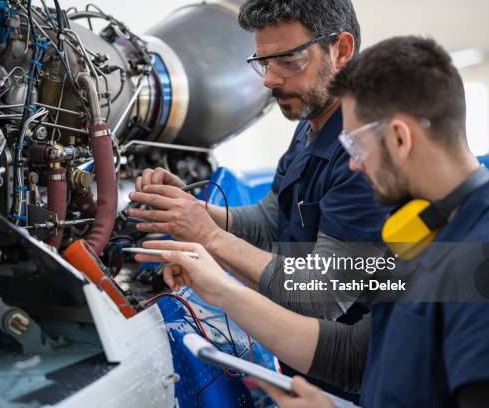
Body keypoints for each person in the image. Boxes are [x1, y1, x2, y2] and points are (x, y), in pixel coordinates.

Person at [135, 36, 489, 407]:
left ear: (400, 139)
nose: (353, 163)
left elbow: (325, 297)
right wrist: (220, 290)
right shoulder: (428, 232)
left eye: (355, 145)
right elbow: (357, 356)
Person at [128, 0, 388, 321]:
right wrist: (193, 210)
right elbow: (270, 222)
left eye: (289, 61)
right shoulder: (313, 124)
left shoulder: (371, 153)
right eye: (265, 63)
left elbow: (323, 296)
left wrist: (208, 237)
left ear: (342, 50)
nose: (270, 81)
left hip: (362, 365)